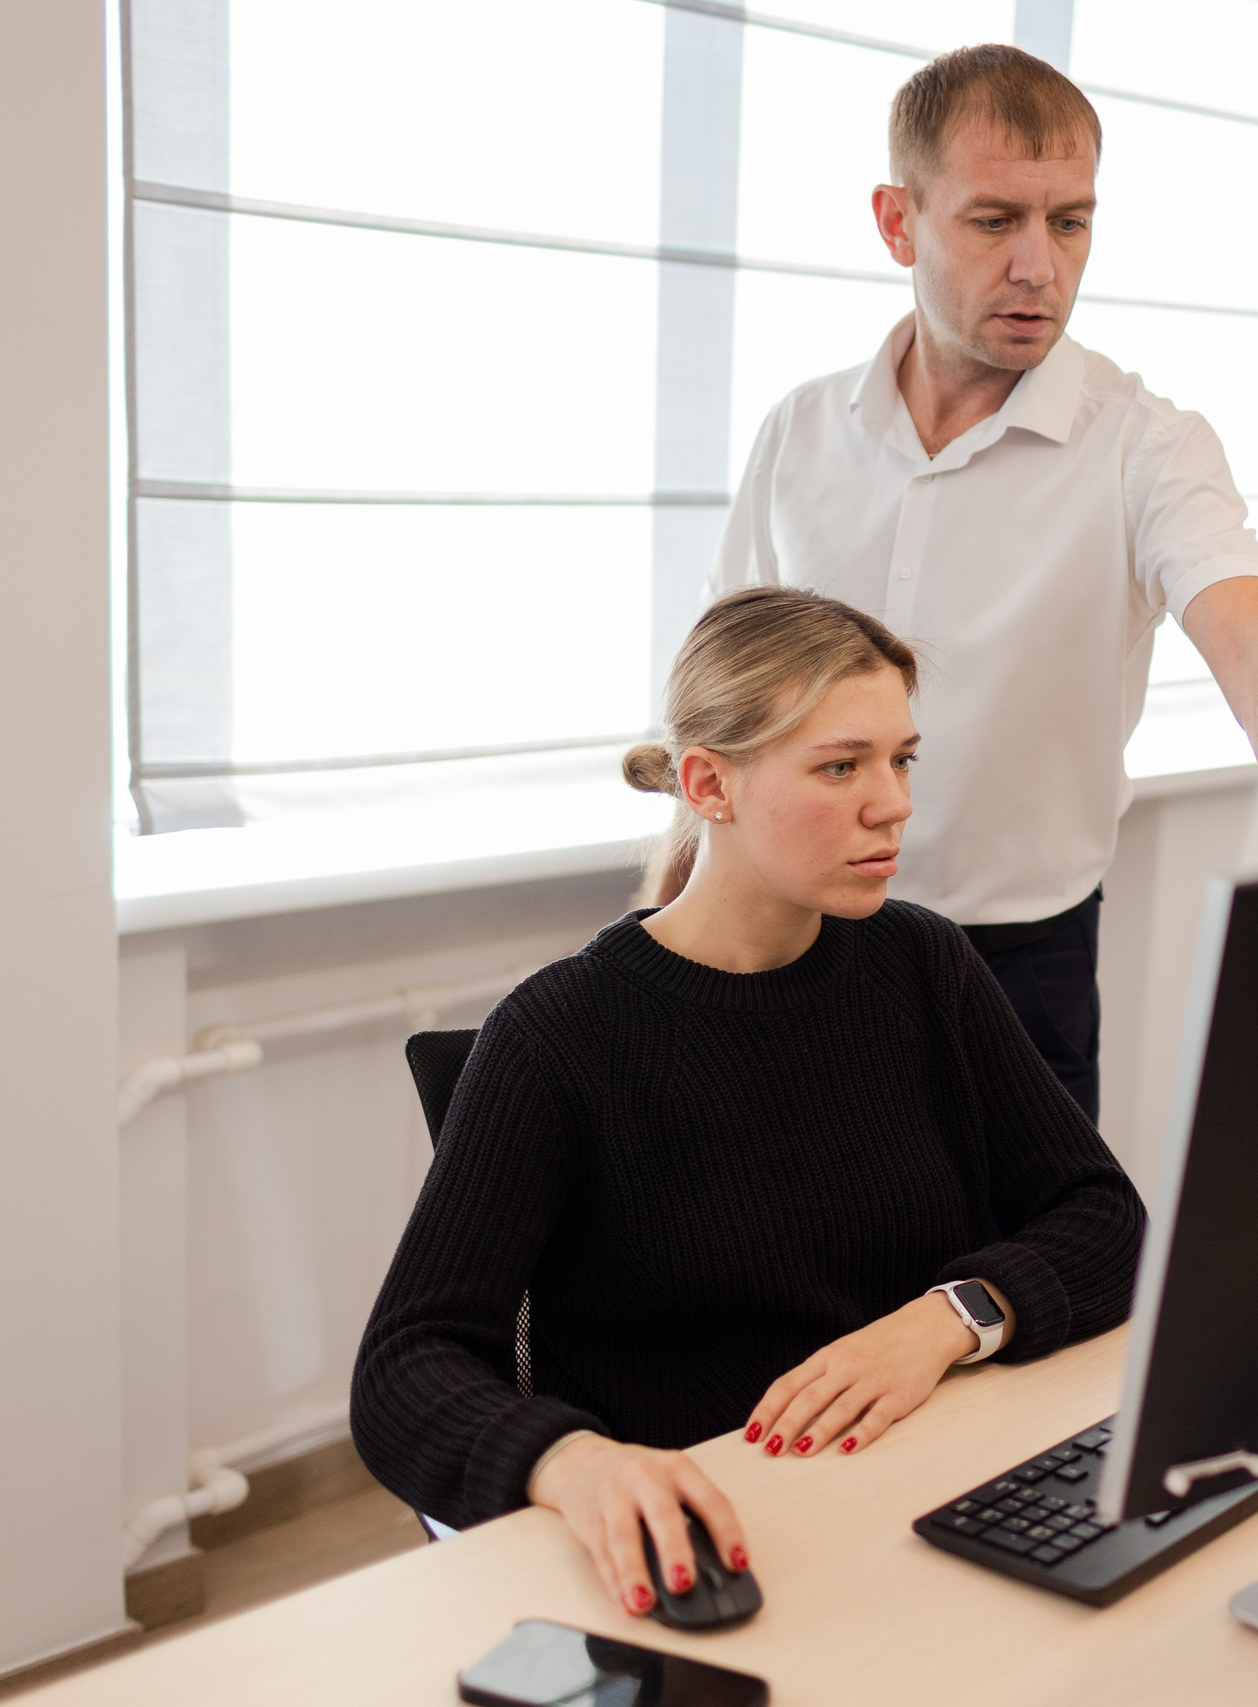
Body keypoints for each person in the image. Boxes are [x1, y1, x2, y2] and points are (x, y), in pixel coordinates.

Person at [351, 587, 1146, 1621]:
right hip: (727, 1532)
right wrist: (573, 1463)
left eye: (901, 759)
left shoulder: (923, 964)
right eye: (840, 766)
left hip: (934, 1476)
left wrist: (947, 1319)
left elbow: (1104, 1216)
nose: (893, 803)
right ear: (708, 784)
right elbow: (406, 1367)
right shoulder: (558, 1036)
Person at [704, 44, 1258, 1122]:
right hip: (789, 939)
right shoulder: (798, 432)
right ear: (898, 222)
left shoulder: (1147, 447)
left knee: (1049, 1236)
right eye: (995, 221)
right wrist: (664, 931)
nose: (1039, 265)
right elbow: (723, 715)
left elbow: (1252, 630)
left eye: (1069, 222)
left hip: (1018, 970)